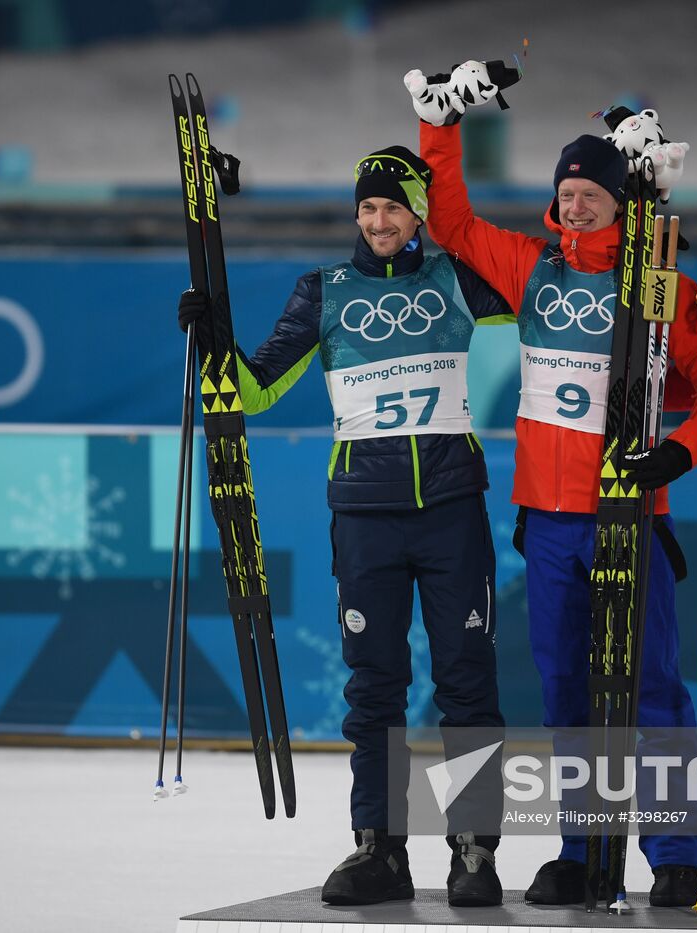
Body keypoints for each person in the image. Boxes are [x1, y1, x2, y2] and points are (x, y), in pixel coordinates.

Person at [407, 66, 697, 908]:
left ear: (623, 201)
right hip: (548, 521)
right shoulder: (533, 267)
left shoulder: (660, 284)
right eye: (568, 192)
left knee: (650, 686)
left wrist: (679, 455)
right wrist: (439, 132)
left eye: (593, 193)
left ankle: (677, 853)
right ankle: (584, 847)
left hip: (628, 514)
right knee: (566, 690)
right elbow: (450, 222)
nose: (578, 204)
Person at [177, 146, 510, 908]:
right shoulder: (322, 293)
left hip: (452, 508)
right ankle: (380, 845)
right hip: (364, 516)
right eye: (368, 208)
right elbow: (252, 393)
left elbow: (546, 288)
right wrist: (212, 343)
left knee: (467, 680)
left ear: (417, 213)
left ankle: (474, 848)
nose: (380, 220)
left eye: (393, 207)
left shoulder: (454, 281)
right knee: (375, 686)